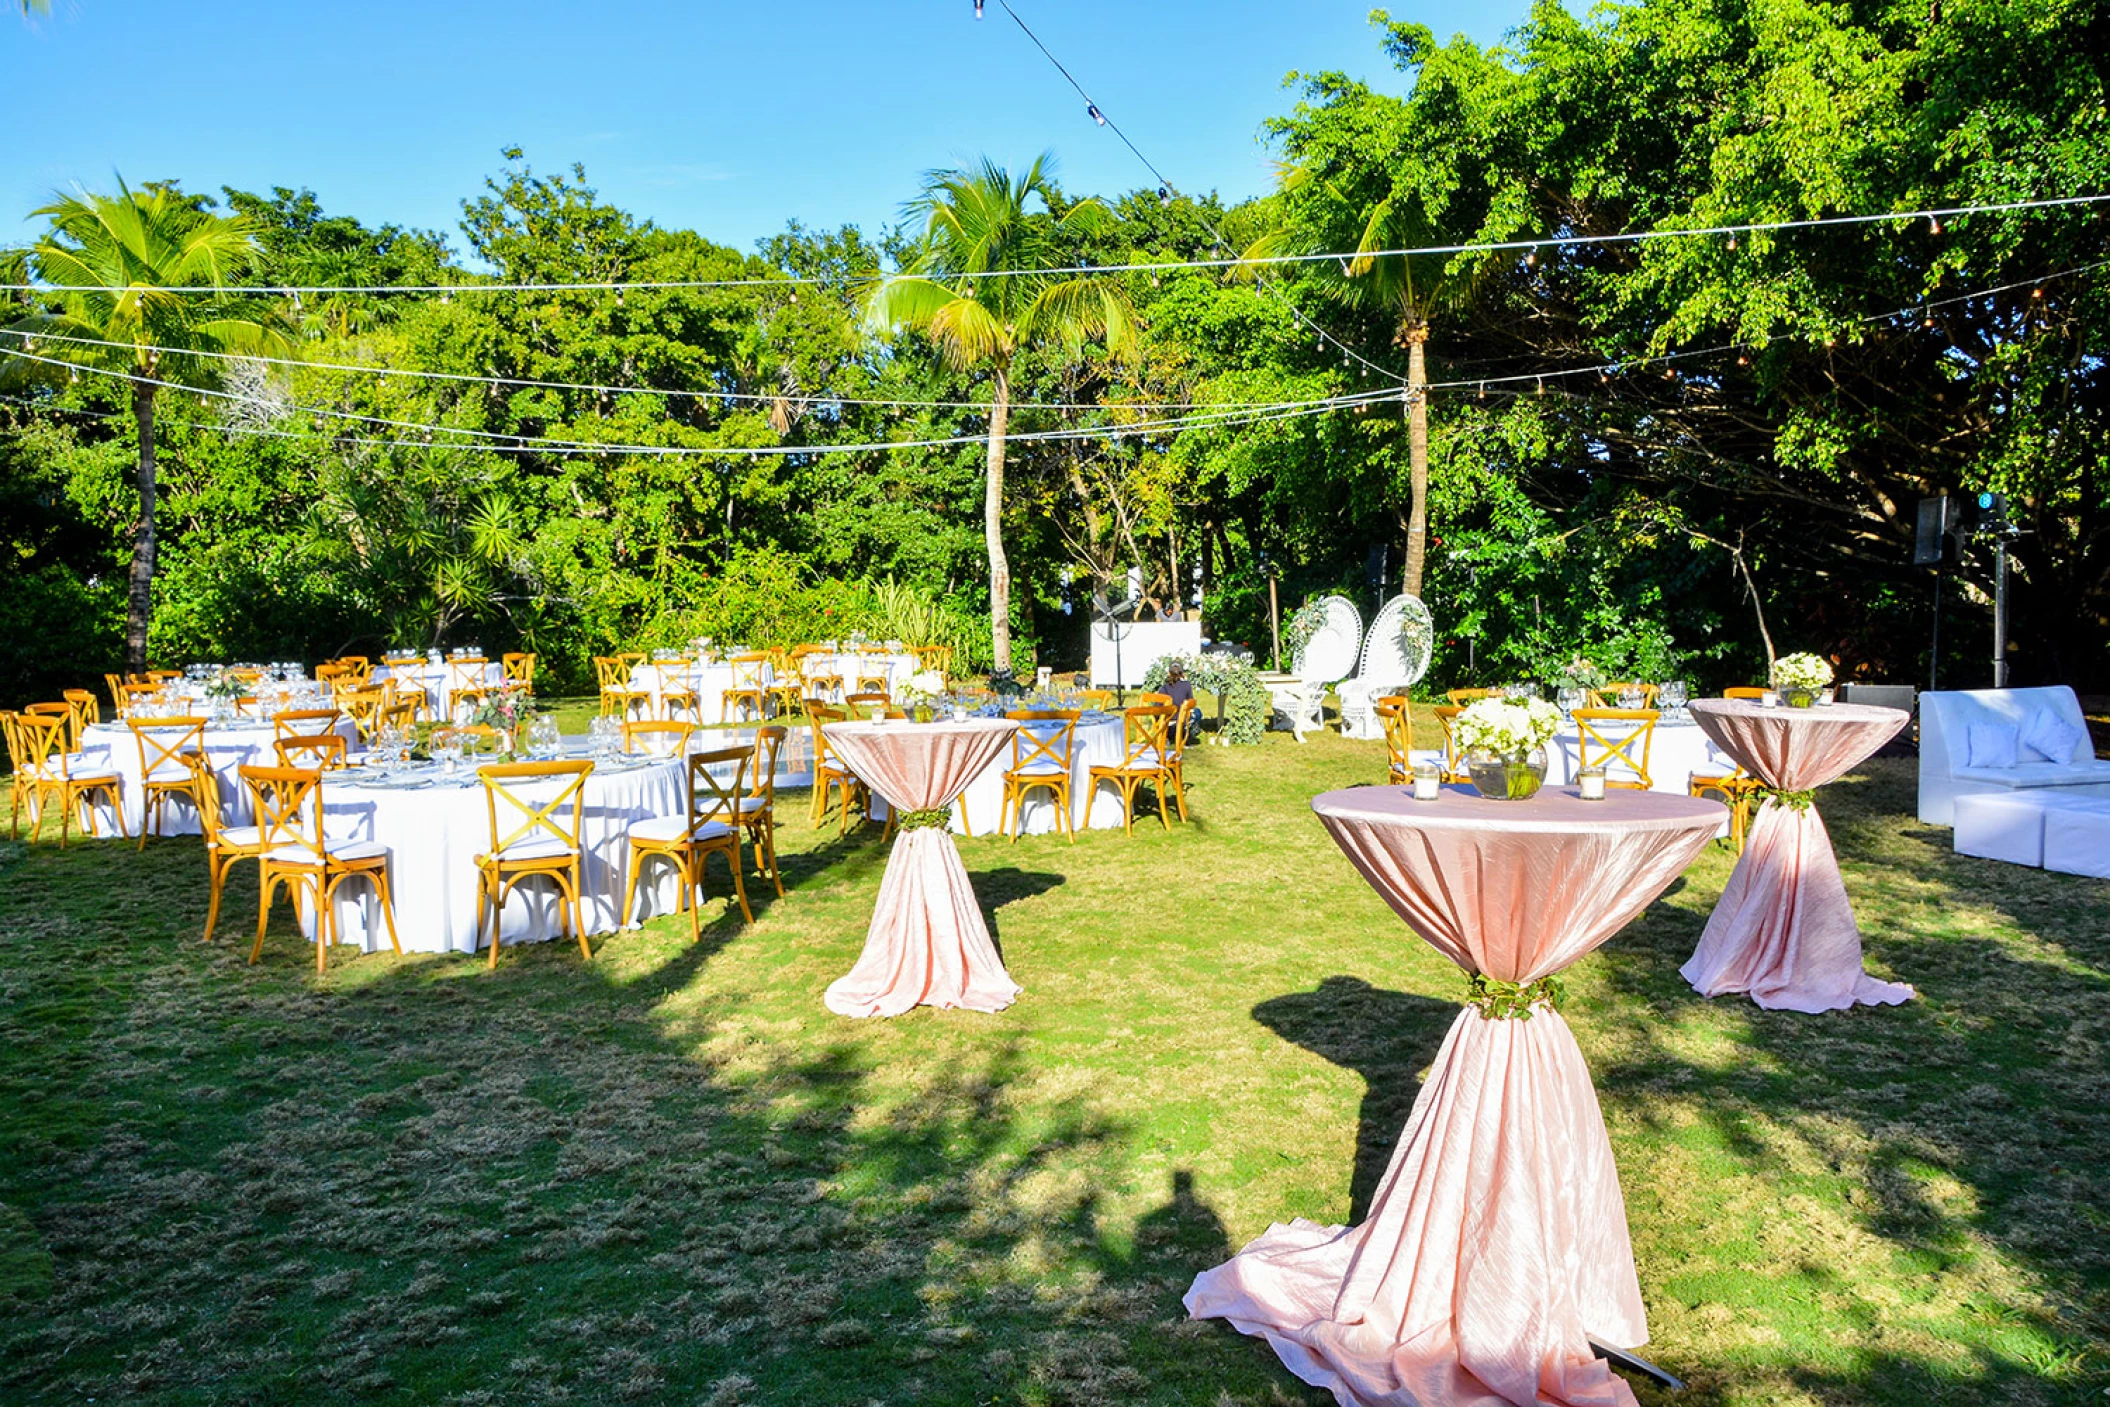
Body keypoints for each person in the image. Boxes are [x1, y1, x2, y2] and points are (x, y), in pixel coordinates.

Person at [1161, 662, 1198, 744]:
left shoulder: (1164, 688)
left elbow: (1158, 705)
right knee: (1198, 713)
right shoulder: (1187, 685)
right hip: (1183, 718)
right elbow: (1190, 702)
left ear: (1169, 673)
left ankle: (1166, 736)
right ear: (1182, 674)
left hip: (1168, 718)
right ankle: (1187, 735)